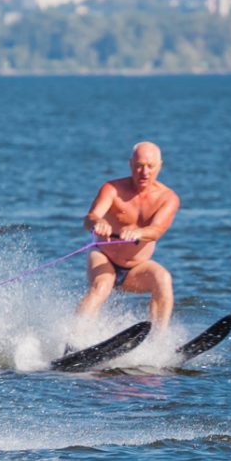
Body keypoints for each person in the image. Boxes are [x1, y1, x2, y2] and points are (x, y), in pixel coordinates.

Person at [75, 141, 180, 329]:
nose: (144, 172)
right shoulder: (112, 189)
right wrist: (98, 223)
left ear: (160, 166)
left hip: (136, 268)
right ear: (130, 164)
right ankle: (75, 335)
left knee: (163, 279)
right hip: (104, 257)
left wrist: (139, 232)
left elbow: (156, 231)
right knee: (102, 285)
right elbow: (90, 218)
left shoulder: (168, 198)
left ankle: (159, 337)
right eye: (139, 166)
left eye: (150, 166)